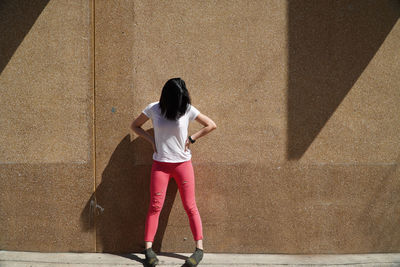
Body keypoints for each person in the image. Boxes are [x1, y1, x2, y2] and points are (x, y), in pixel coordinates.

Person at [131, 77, 217, 266]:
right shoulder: (154, 108)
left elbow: (211, 125)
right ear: (168, 96)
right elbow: (135, 126)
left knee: (190, 206)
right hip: (160, 165)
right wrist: (151, 140)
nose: (182, 100)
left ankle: (199, 249)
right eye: (178, 97)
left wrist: (192, 138)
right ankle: (148, 249)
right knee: (155, 206)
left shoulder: (186, 108)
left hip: (182, 165)